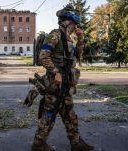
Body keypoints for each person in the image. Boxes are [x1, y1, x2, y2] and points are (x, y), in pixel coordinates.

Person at [30, 4, 93, 151]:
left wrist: (81, 38)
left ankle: (76, 143)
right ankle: (38, 144)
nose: (75, 26)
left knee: (70, 115)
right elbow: (43, 57)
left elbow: (78, 55)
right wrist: (55, 72)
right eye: (74, 24)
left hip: (66, 85)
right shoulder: (55, 35)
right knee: (49, 115)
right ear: (67, 22)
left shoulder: (69, 39)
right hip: (55, 84)